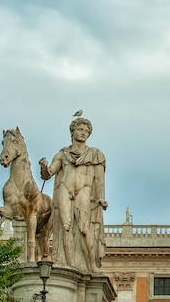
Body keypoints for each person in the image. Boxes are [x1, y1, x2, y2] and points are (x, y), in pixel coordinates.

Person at [40, 117, 108, 272]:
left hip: (84, 190)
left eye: (86, 131)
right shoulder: (63, 154)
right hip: (65, 187)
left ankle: (91, 265)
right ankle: (66, 264)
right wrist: (43, 167)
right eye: (80, 130)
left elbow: (99, 180)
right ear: (73, 131)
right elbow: (48, 174)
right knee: (65, 227)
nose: (83, 133)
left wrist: (102, 197)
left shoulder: (95, 154)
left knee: (84, 229)